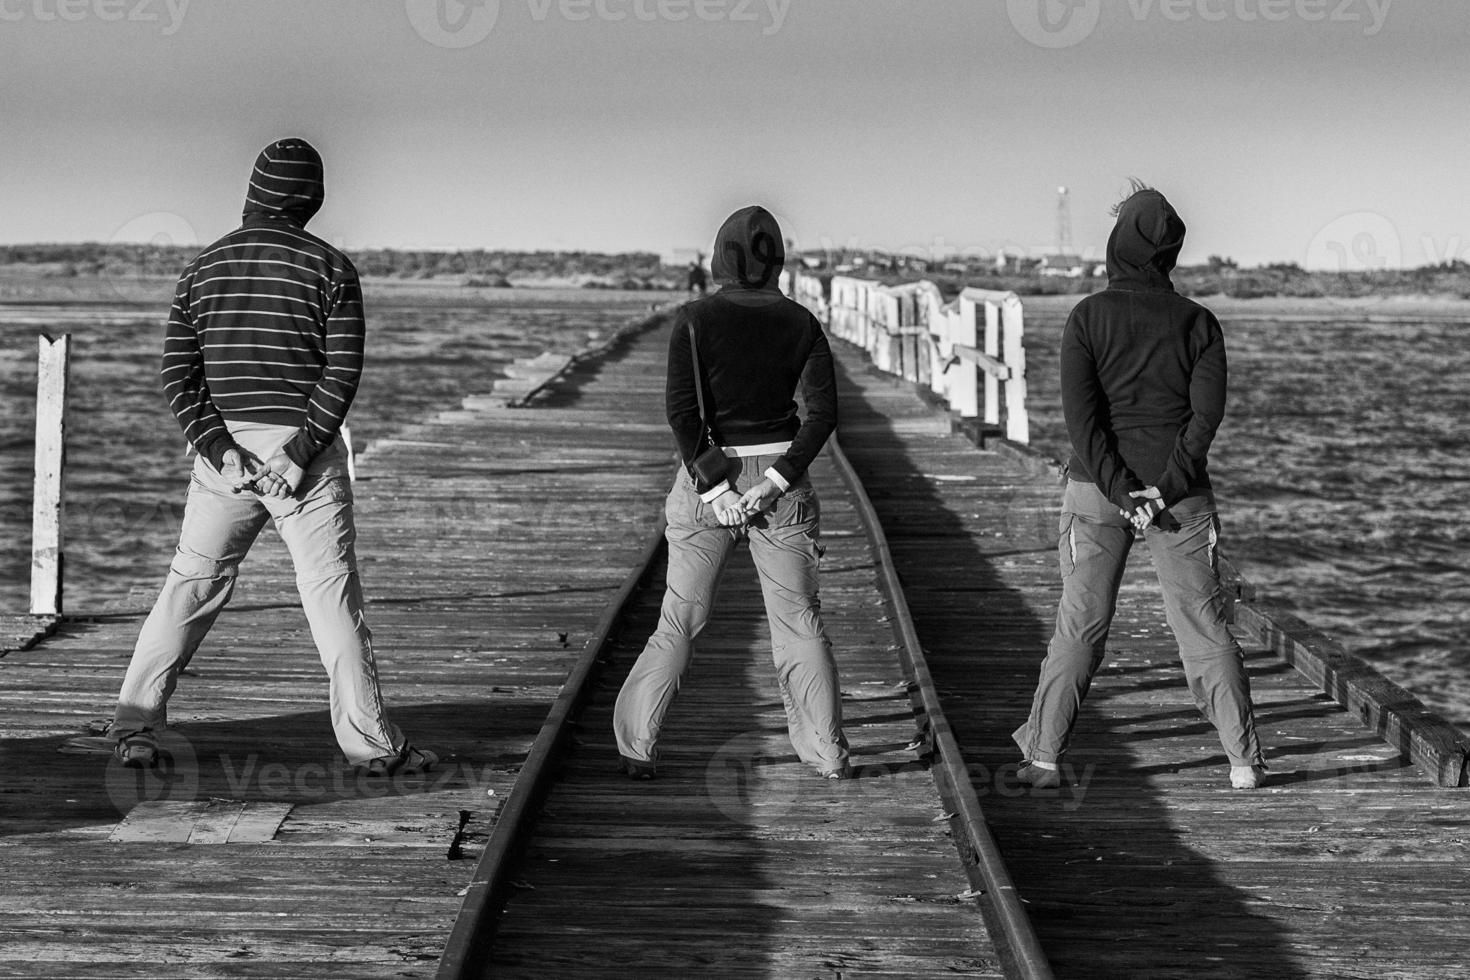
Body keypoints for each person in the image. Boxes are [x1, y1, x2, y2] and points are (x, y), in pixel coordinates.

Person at [109, 138, 434, 776]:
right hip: (303, 460)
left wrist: (219, 449)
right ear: (310, 198)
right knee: (331, 598)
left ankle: (135, 727)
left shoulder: (202, 269)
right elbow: (342, 374)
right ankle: (371, 747)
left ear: (254, 191)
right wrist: (299, 453)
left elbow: (179, 375)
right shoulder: (332, 268)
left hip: (223, 455)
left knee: (190, 586)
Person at [1013, 183, 1266, 790]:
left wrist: (1121, 490)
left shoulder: (1087, 317)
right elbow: (1205, 419)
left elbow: (1083, 420)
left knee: (1080, 625)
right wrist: (1163, 487)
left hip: (1099, 494)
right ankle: (1242, 759)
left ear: (1116, 243)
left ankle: (1044, 759)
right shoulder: (1200, 323)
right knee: (1204, 626)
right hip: (1179, 499)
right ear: (1170, 252)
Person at [613, 205, 850, 780]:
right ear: (777, 262)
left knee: (680, 619)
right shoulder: (802, 323)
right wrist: (773, 481)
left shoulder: (694, 319)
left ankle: (637, 747)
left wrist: (716, 486)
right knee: (798, 621)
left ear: (721, 257)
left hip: (706, 477)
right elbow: (823, 416)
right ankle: (827, 753)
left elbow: (681, 411)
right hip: (781, 479)